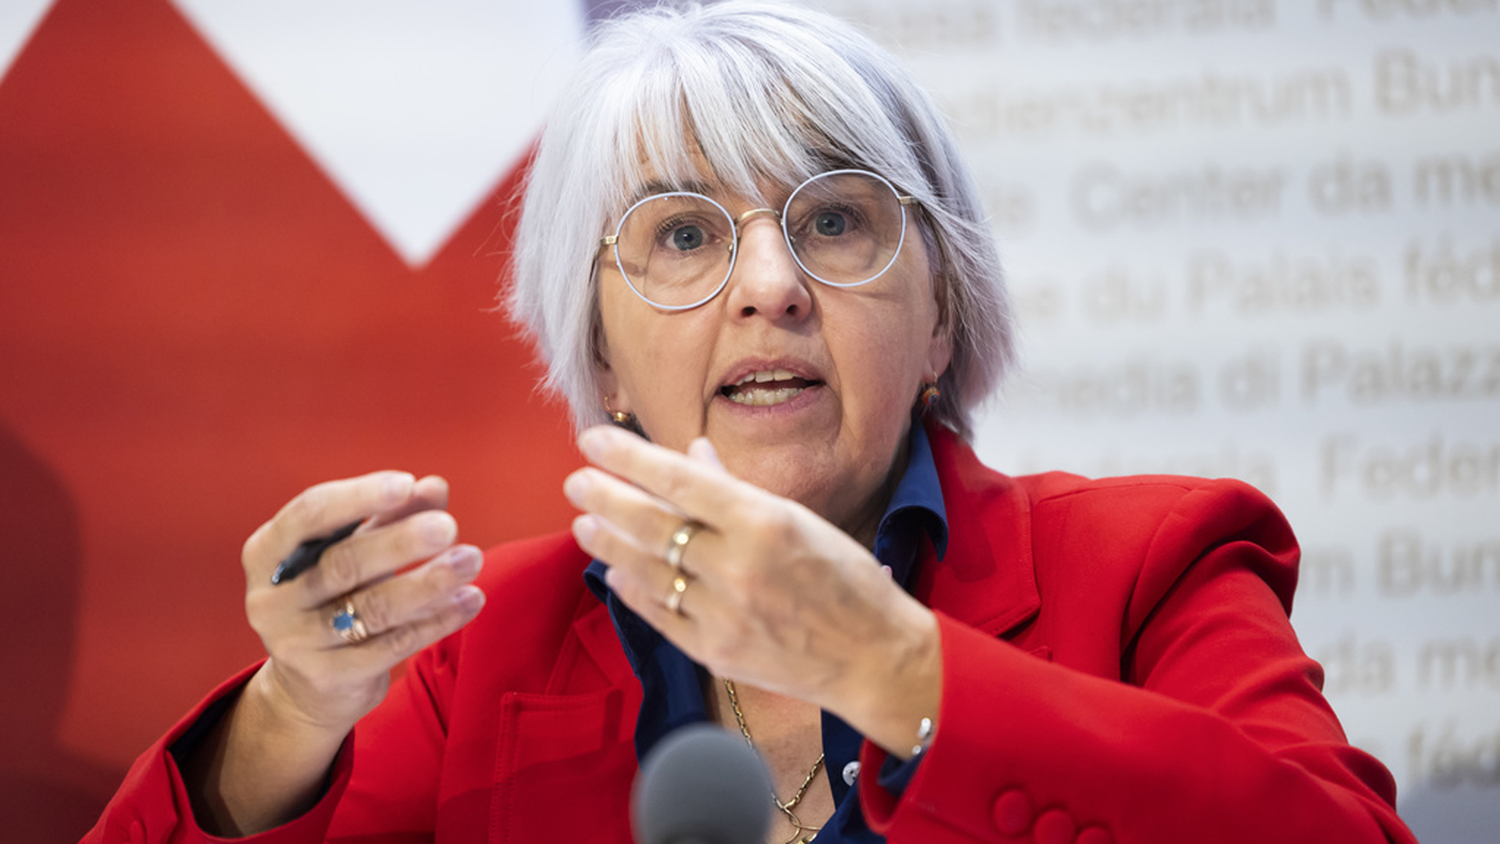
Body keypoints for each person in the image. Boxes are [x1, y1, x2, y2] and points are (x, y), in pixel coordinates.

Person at [86, 3, 1417, 843]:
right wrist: (292, 714)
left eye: (835, 220)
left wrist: (895, 668)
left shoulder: (1148, 565)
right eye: (681, 235)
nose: (773, 287)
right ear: (599, 354)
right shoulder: (480, 655)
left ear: (941, 317)